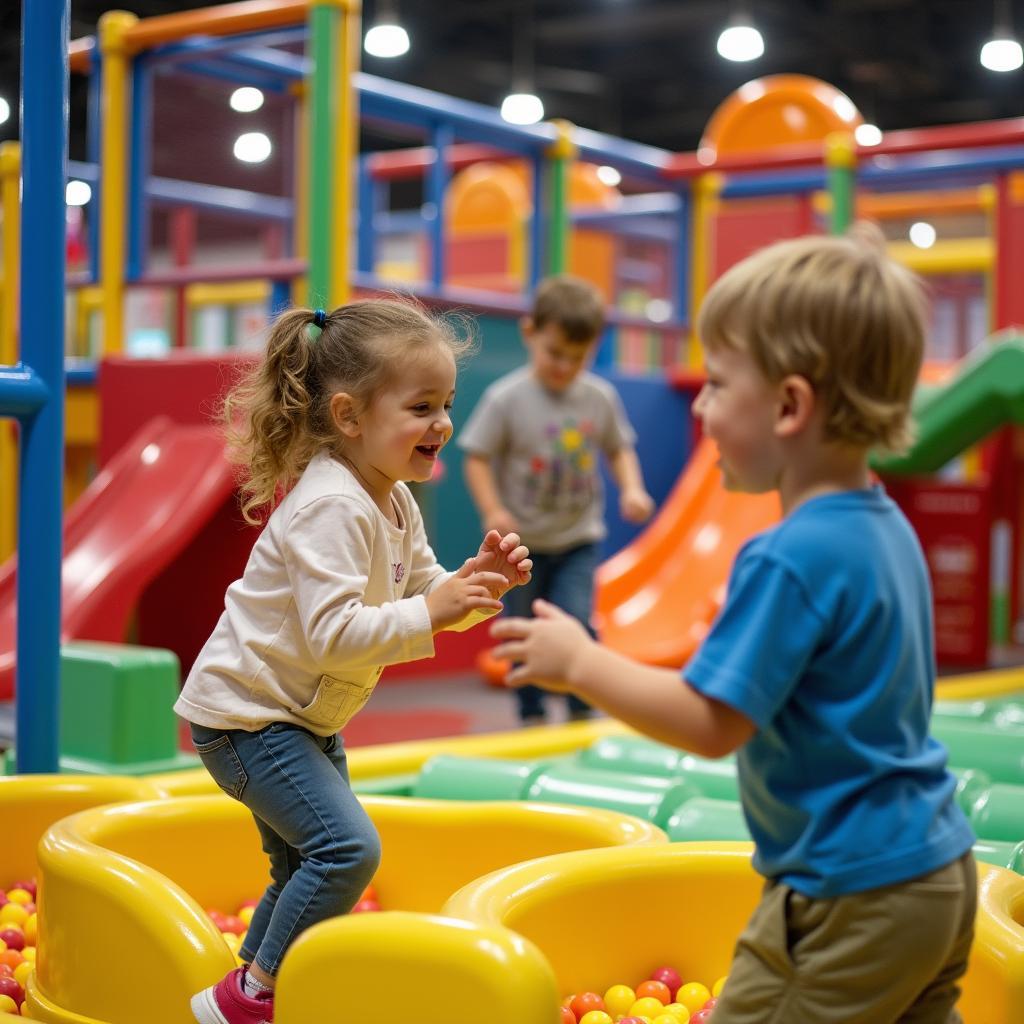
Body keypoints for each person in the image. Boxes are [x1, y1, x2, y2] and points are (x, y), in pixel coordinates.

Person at [492, 229, 977, 1023]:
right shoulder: (884, 529)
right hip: (936, 869)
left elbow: (711, 722)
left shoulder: (787, 555)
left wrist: (580, 663)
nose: (703, 406)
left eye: (717, 385)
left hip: (845, 893)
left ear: (790, 405)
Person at [177, 299, 532, 1024]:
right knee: (345, 850)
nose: (442, 425)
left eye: (447, 405)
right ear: (349, 417)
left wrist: (475, 583)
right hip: (249, 718)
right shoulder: (331, 505)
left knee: (301, 864)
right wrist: (435, 609)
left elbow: (423, 583)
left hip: (298, 715)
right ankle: (252, 999)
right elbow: (333, 635)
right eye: (421, 407)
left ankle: (242, 990)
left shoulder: (391, 496)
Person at [459, 274, 653, 726]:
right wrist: (492, 508)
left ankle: (583, 706)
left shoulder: (598, 397)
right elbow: (478, 457)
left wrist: (633, 488)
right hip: (520, 547)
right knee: (523, 630)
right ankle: (531, 713)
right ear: (530, 334)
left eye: (577, 357)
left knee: (576, 621)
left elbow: (618, 448)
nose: (564, 366)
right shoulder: (506, 398)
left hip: (577, 538)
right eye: (555, 353)